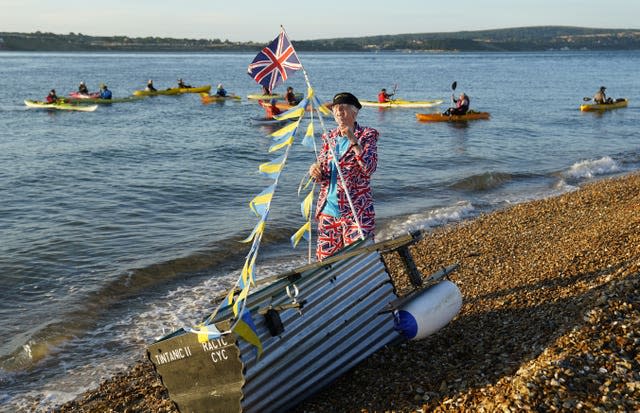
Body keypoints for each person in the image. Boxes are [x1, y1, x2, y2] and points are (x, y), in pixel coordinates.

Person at [308, 92, 379, 261]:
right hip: (328, 211)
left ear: (355, 113)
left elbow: (369, 168)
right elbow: (323, 172)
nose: (338, 111)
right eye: (335, 108)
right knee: (327, 264)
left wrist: (353, 140)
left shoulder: (367, 135)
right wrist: (314, 171)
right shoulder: (329, 137)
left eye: (343, 108)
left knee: (361, 261)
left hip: (357, 211)